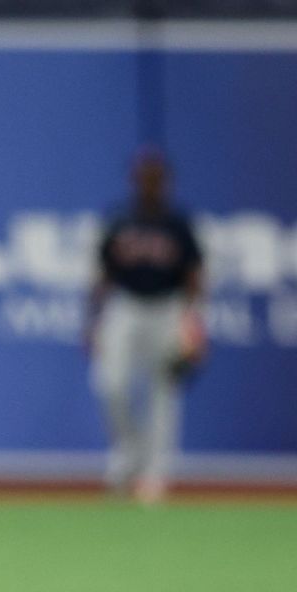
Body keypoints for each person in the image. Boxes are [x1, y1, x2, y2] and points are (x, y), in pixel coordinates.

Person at [87, 148, 206, 504]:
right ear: (135, 180)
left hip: (168, 308)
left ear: (166, 183)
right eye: (145, 177)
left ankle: (154, 474)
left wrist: (193, 322)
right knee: (110, 383)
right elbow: (103, 273)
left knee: (163, 393)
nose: (151, 184)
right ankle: (128, 456)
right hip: (125, 306)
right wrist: (93, 318)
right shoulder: (120, 218)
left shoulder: (178, 223)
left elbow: (194, 275)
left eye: (157, 178)